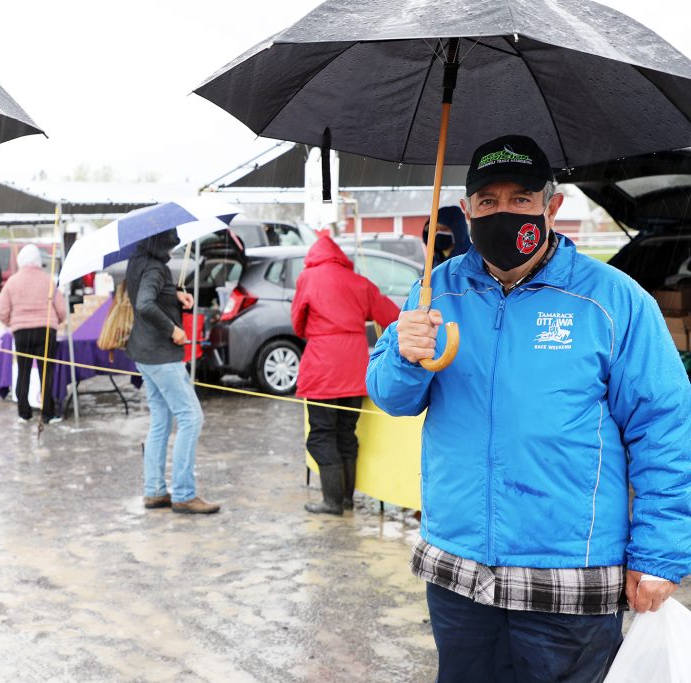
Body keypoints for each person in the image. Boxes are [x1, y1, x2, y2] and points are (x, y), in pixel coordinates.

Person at [366, 134, 691, 682]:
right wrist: (403, 351)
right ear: (467, 211)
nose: (503, 212)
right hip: (460, 568)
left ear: (552, 206)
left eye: (520, 199)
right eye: (488, 202)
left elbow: (663, 429)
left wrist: (659, 553)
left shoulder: (613, 300)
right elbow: (392, 398)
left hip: (568, 575)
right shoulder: (434, 293)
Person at [292, 235, 400, 515]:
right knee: (346, 434)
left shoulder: (308, 277)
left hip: (322, 366)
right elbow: (391, 315)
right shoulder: (358, 281)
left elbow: (297, 323)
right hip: (354, 365)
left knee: (321, 435)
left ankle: (332, 501)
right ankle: (347, 499)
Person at [125, 230, 220, 514]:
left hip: (144, 352)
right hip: (161, 354)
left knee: (161, 420)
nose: (173, 248)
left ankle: (154, 491)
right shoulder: (155, 267)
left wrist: (174, 295)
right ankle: (184, 493)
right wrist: (173, 328)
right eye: (171, 242)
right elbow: (144, 304)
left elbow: (148, 295)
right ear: (161, 241)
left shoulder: (139, 260)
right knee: (191, 417)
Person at [0, 243, 65, 424]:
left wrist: (14, 322)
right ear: (38, 260)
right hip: (46, 331)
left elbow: (0, 309)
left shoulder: (13, 281)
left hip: (22, 333)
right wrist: (60, 320)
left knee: (23, 372)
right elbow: (62, 309)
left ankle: (24, 413)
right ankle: (48, 413)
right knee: (46, 373)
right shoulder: (47, 280)